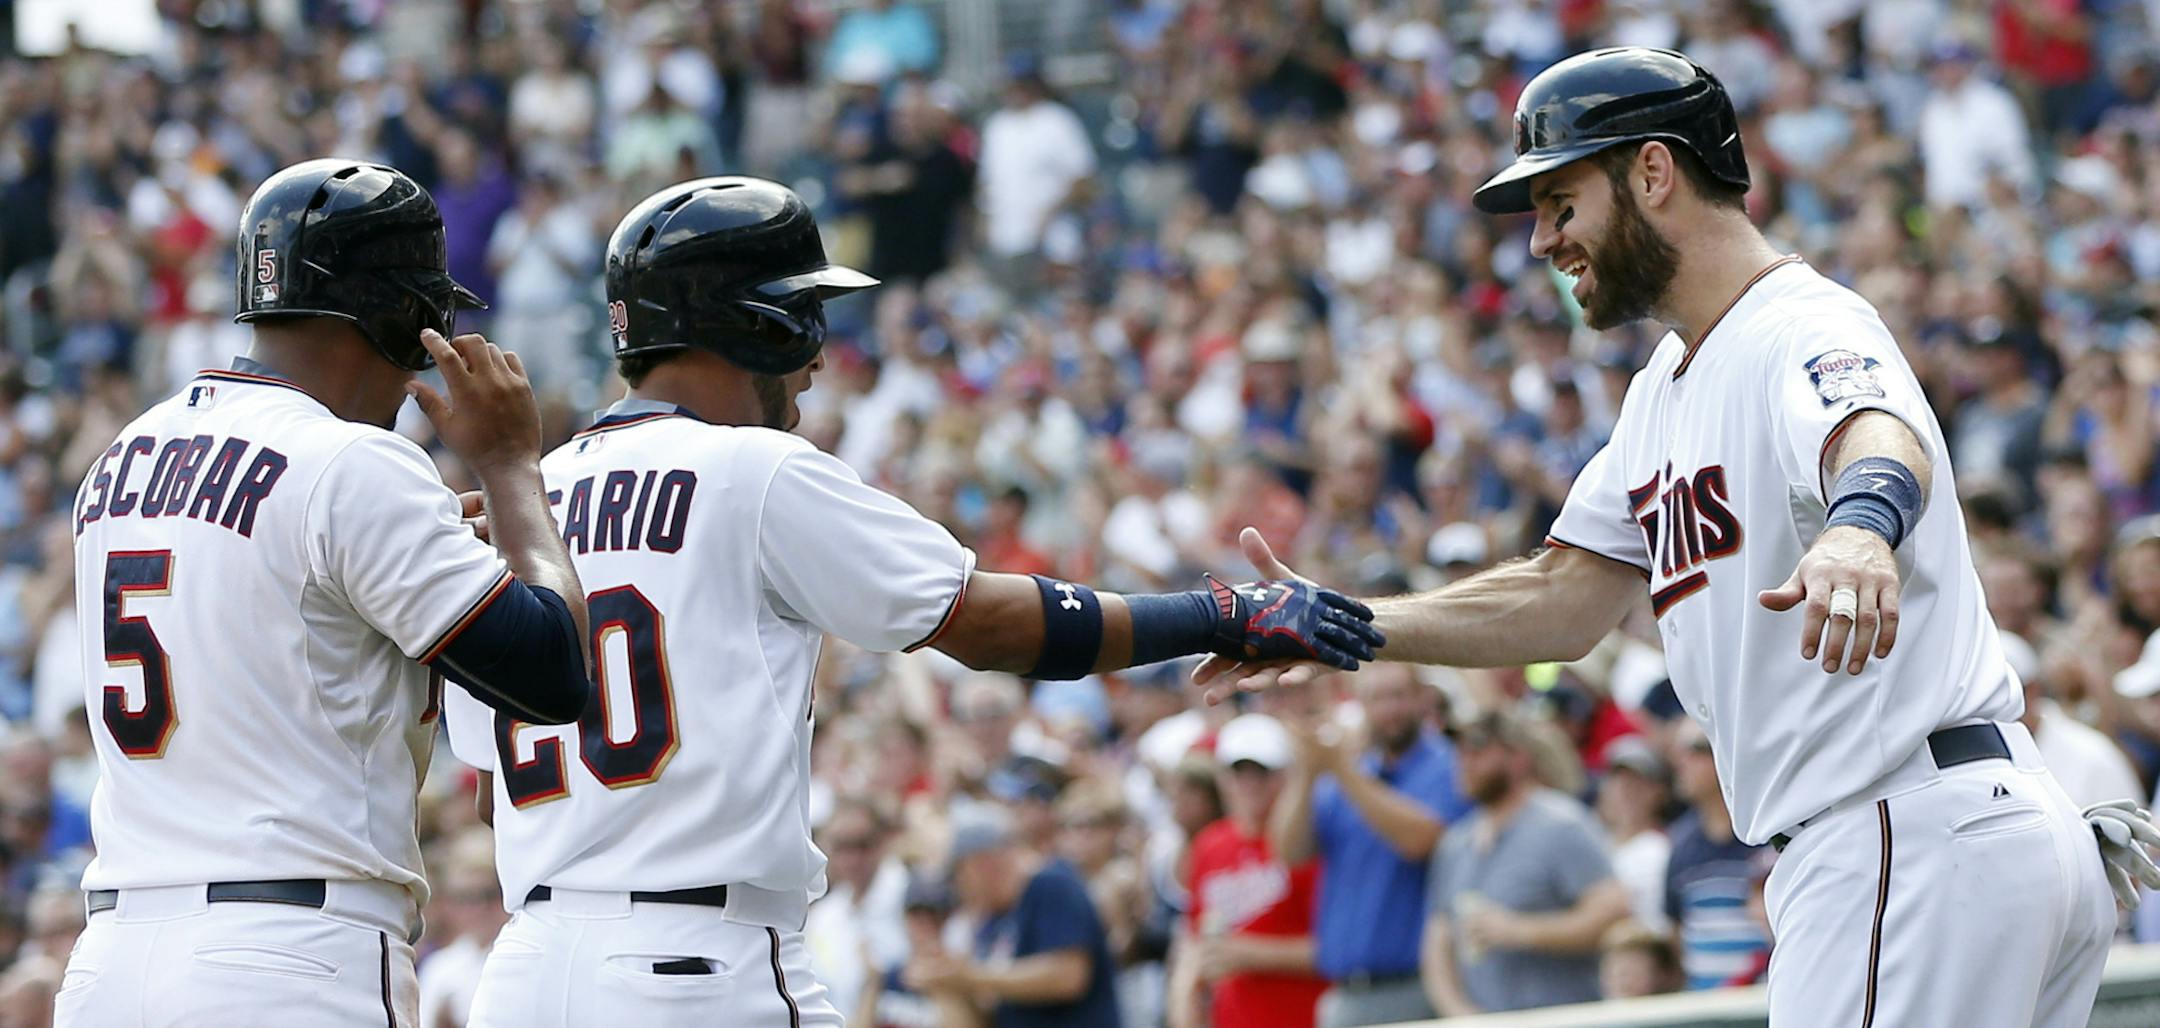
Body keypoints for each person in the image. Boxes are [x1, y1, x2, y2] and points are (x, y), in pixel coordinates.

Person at [1195, 47, 2160, 1026]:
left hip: (1902, 833)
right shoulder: (1661, 388)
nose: (1541, 241)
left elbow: (1875, 430)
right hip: (1944, 833)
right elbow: (1561, 596)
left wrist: (1863, 528)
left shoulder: (1801, 319)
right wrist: (1347, 621)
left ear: (1652, 172)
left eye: (1560, 202)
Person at [443, 176, 1382, 1027]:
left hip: (525, 968)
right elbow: (997, 626)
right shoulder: (753, 468)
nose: (816, 357)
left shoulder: (517, 501)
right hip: (698, 966)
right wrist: (1220, 614)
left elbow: (491, 799)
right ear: (761, 324)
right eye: (806, 313)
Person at [58, 159, 592, 1026]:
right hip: (286, 960)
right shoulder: (352, 462)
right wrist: (508, 466)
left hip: (112, 962)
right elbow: (556, 672)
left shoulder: (121, 456)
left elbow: (278, 615)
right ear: (397, 314)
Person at [1270, 664, 1470, 1028]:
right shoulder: (1355, 772)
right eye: (1376, 698)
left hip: (1415, 988)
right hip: (1346, 993)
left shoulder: (1449, 765)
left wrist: (1341, 769)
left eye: (1398, 696)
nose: (1388, 710)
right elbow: (1290, 852)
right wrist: (1306, 771)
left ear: (1422, 699)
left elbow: (1420, 840)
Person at [1420, 709, 1628, 1015]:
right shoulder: (1456, 844)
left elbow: (1611, 911)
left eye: (1478, 750)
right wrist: (1460, 1014)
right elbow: (1437, 945)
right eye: (1460, 751)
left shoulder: (1561, 825)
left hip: (1562, 1017)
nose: (1464, 761)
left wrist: (1519, 931)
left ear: (1518, 757)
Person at [1170, 712, 1324, 1028]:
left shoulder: (1308, 842)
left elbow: (1337, 948)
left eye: (1261, 772)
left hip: (1303, 1015)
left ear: (1284, 775)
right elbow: (1194, 940)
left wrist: (1253, 955)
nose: (1248, 784)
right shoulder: (1209, 845)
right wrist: (1183, 999)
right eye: (1238, 772)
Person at [1662, 721, 1767, 990]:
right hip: (1706, 1003)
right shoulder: (1680, 844)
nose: (1680, 762)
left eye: (1695, 749)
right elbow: (1676, 928)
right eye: (1678, 752)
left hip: (1766, 998)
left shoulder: (1769, 833)